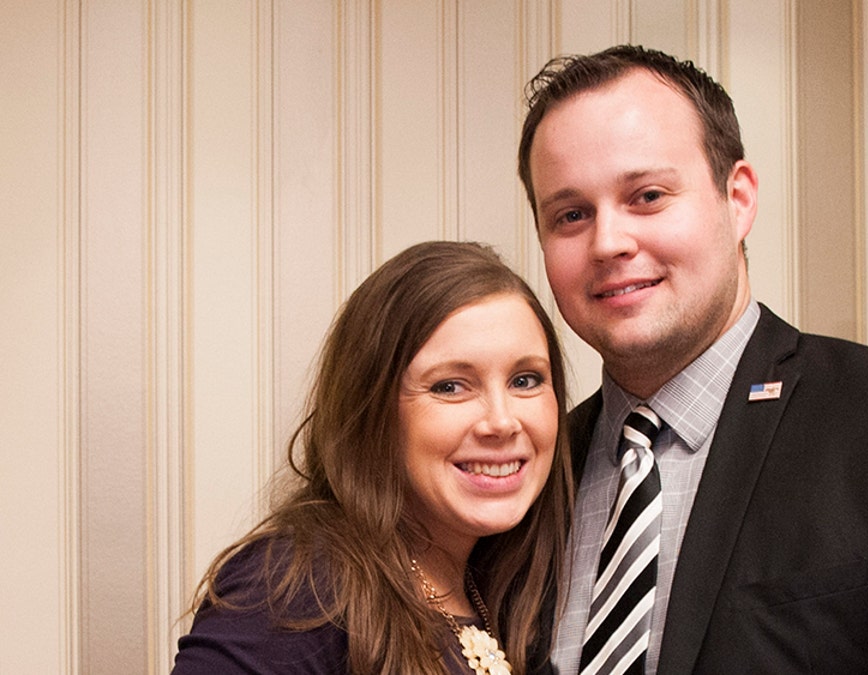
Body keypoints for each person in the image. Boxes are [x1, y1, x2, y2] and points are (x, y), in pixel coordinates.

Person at [518, 44, 868, 673]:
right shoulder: (530, 476)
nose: (609, 241)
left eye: (647, 196)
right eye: (570, 215)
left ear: (739, 197)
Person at [173, 241, 571, 674]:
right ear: (372, 410)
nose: (502, 421)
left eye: (526, 379)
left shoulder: (497, 590)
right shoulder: (296, 589)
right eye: (450, 386)